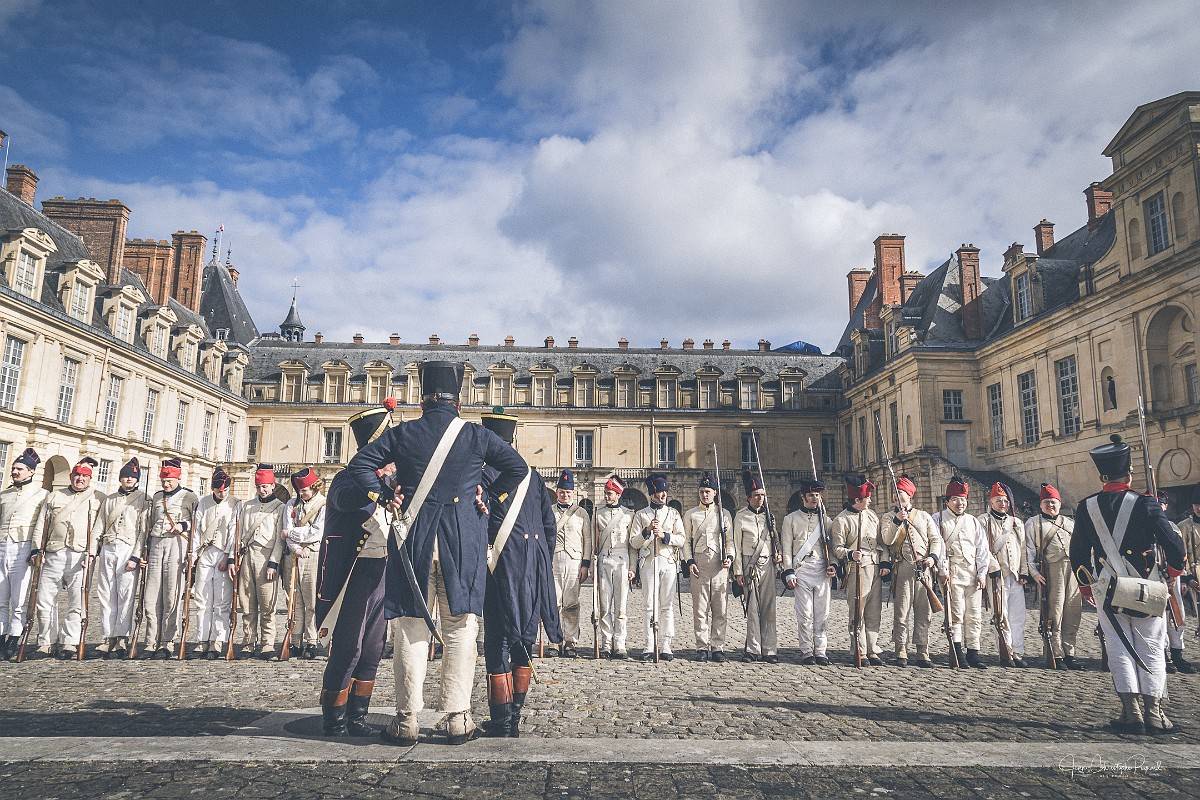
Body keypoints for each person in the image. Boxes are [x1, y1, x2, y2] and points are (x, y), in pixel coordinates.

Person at [345, 361, 526, 746]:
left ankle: (406, 720)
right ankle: (458, 718)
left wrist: (384, 495)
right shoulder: (475, 435)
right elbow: (517, 467)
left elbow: (360, 465)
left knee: (411, 628)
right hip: (462, 542)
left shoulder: (405, 433)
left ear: (423, 399)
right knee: (460, 628)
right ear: (457, 400)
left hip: (415, 540)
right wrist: (489, 495)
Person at [1070, 434, 1185, 734]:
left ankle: (1131, 713)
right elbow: (1174, 544)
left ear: (1102, 476)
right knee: (1151, 648)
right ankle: (1155, 714)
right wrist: (1173, 572)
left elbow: (1078, 553)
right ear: (1129, 474)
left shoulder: (1086, 507)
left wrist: (1085, 586)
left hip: (1106, 588)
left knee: (1119, 648)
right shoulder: (1146, 504)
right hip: (1146, 587)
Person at [317, 399, 398, 738]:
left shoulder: (389, 482)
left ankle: (358, 715)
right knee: (348, 646)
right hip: (354, 573)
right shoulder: (347, 479)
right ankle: (335, 717)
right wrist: (379, 481)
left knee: (373, 646)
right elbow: (347, 499)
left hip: (381, 570)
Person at [478, 407, 561, 737]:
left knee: (497, 639)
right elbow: (549, 526)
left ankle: (501, 720)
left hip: (499, 565)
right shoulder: (532, 476)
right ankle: (514, 716)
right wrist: (540, 561)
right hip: (534, 566)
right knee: (524, 638)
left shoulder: (484, 474)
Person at [33, 458, 104, 658]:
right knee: (44, 600)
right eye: (77, 475)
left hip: (80, 555)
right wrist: (36, 550)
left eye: (84, 476)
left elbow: (101, 529)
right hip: (53, 552)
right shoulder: (54, 496)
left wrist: (93, 552)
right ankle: (46, 641)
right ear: (71, 476)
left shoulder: (99, 498)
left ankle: (69, 641)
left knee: (77, 601)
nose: (80, 479)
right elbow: (41, 525)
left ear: (90, 478)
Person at [880, 475, 942, 668]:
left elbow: (935, 540)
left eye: (901, 493)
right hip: (902, 569)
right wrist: (897, 521)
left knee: (924, 613)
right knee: (901, 612)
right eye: (895, 493)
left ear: (910, 495)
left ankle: (923, 651)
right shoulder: (888, 517)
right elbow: (887, 540)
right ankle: (901, 650)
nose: (897, 496)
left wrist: (932, 558)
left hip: (923, 568)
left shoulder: (923, 516)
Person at [142, 458, 198, 659]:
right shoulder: (157, 497)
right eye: (163, 481)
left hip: (176, 545)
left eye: (169, 481)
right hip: (157, 544)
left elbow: (197, 522)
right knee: (150, 597)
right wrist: (145, 550)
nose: (166, 484)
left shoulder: (189, 497)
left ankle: (167, 641)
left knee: (171, 596)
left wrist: (183, 526)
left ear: (178, 478)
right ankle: (151, 641)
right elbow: (149, 524)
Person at [1023, 483, 1082, 669]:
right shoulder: (1033, 523)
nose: (1050, 505)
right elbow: (1028, 550)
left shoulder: (1069, 523)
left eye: (1053, 502)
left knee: (1073, 611)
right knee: (1054, 612)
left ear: (1059, 503)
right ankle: (1055, 654)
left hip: (1072, 571)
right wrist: (1034, 572)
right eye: (1047, 502)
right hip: (1051, 570)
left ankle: (1069, 653)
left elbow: (1080, 547)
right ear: (1041, 505)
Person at [933, 476, 990, 669]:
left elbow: (982, 548)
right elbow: (938, 546)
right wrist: (942, 570)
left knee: (974, 614)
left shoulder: (973, 521)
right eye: (956, 499)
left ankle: (973, 652)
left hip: (972, 573)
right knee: (955, 614)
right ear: (947, 501)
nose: (960, 503)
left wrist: (982, 572)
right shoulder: (938, 519)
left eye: (963, 499)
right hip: (952, 573)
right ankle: (957, 652)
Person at [95, 458, 150, 659]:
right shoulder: (110, 500)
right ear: (120, 478)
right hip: (109, 547)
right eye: (125, 476)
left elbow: (143, 531)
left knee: (126, 595)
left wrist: (136, 555)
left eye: (132, 477)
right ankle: (107, 636)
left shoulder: (144, 499)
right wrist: (92, 552)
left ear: (137, 479)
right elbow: (99, 526)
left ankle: (121, 636)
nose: (128, 479)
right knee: (106, 594)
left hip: (129, 549)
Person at [832, 475, 889, 666]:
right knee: (858, 611)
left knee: (874, 611)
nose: (870, 501)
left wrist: (884, 562)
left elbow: (881, 543)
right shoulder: (841, 520)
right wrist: (849, 554)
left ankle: (872, 649)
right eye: (867, 498)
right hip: (856, 569)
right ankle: (859, 649)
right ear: (857, 499)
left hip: (874, 567)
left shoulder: (871, 515)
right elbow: (836, 548)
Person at [780, 478, 836, 666]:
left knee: (822, 614)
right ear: (803, 497)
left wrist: (833, 565)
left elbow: (832, 548)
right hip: (801, 570)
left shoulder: (826, 521)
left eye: (817, 495)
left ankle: (821, 651)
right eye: (811, 495)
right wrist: (788, 571)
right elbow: (786, 548)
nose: (814, 498)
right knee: (804, 614)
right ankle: (806, 651)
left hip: (821, 570)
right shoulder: (790, 519)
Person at [630, 474, 684, 661]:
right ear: (652, 494)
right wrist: (646, 532)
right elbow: (634, 542)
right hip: (648, 562)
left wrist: (665, 535)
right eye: (660, 492)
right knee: (649, 605)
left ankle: (666, 644)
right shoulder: (641, 514)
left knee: (666, 605)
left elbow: (681, 539)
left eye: (665, 492)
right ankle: (649, 644)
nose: (663, 495)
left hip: (668, 561)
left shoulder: (673, 513)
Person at [0, 449, 47, 661]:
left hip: (23, 548)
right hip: (2, 545)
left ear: (31, 471)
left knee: (18, 600)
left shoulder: (41, 495)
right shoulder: (5, 494)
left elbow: (41, 526)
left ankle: (14, 639)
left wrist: (36, 550)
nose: (15, 471)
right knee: (1, 599)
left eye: (19, 469)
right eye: (13, 468)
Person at [682, 473, 734, 662]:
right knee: (700, 609)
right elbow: (686, 542)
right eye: (702, 491)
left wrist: (730, 557)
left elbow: (730, 540)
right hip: (699, 564)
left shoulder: (724, 514)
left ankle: (718, 646)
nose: (705, 495)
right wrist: (689, 561)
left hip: (719, 564)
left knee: (720, 609)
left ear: (715, 493)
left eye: (708, 491)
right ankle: (702, 646)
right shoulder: (691, 514)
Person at [235, 465, 285, 659]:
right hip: (248, 555)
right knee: (247, 602)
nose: (262, 490)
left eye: (265, 486)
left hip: (267, 557)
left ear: (273, 485)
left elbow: (279, 539)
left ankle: (267, 643)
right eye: (258, 487)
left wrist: (274, 562)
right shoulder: (247, 506)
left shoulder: (280, 507)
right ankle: (248, 641)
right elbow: (239, 533)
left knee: (267, 604)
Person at [189, 468, 238, 659]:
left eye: (225, 490)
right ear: (213, 489)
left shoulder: (235, 504)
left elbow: (234, 533)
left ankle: (217, 640)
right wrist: (193, 555)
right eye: (218, 491)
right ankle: (202, 639)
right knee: (202, 599)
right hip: (205, 553)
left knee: (221, 601)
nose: (222, 493)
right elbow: (196, 531)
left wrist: (228, 556)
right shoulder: (203, 503)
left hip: (222, 553)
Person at [978, 483, 1026, 666]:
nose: (1003, 504)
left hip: (1015, 575)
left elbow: (1022, 549)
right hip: (996, 576)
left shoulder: (1016, 522)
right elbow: (982, 547)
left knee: (1018, 616)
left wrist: (1024, 572)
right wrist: (993, 567)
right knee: (1001, 615)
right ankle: (1006, 652)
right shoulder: (984, 521)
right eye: (998, 500)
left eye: (1005, 501)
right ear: (991, 502)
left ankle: (1018, 652)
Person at [283, 467, 326, 659]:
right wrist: (295, 548)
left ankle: (311, 640)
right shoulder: (292, 504)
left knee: (311, 602)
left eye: (305, 491)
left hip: (313, 555)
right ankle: (295, 640)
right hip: (295, 555)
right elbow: (286, 528)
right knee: (294, 600)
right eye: (300, 491)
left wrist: (292, 534)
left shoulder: (323, 505)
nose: (302, 494)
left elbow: (316, 532)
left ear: (314, 488)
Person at [592, 475, 635, 658]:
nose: (606, 496)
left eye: (610, 493)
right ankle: (606, 643)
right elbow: (594, 542)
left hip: (622, 561)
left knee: (621, 606)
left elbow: (632, 546)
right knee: (604, 606)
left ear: (618, 495)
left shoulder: (628, 515)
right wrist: (592, 564)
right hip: (604, 560)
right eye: (606, 493)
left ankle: (620, 643)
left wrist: (633, 567)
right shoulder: (598, 513)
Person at [550, 469, 591, 658]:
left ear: (573, 493)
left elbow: (587, 540)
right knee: (554, 602)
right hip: (554, 561)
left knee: (572, 604)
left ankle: (570, 641)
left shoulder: (581, 513)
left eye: (567, 492)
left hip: (574, 562)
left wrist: (585, 564)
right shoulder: (549, 511)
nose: (564, 495)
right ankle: (554, 640)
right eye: (561, 492)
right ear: (557, 492)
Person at [1157, 491, 1194, 675]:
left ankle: (1177, 653)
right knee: (1160, 617)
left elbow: (1181, 553)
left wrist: (1184, 577)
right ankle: (1163, 655)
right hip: (1156, 577)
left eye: (1160, 504)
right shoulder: (1142, 525)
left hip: (1174, 577)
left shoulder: (1172, 527)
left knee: (1177, 615)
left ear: (1165, 506)